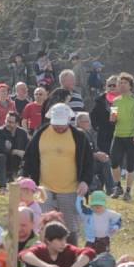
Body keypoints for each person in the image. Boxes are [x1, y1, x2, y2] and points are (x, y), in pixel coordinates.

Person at [22, 102, 93, 244]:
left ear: (68, 120)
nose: (59, 127)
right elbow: (29, 158)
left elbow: (89, 162)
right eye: (56, 124)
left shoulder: (79, 136)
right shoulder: (40, 134)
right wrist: (24, 176)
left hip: (70, 189)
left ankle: (71, 254)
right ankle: (45, 253)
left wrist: (85, 181)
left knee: (70, 227)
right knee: (44, 225)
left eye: (62, 124)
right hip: (44, 188)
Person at [109, 72, 134, 202]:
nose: (122, 85)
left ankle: (128, 191)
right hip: (118, 135)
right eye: (120, 83)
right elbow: (112, 120)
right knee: (114, 162)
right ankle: (118, 187)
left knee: (130, 165)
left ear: (130, 86)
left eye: (124, 83)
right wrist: (112, 119)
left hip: (131, 136)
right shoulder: (115, 101)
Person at [0, 110, 29, 193]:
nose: (7, 124)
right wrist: (15, 151)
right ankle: (2, 187)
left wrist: (25, 154)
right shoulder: (0, 131)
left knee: (30, 158)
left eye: (11, 122)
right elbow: (0, 149)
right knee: (1, 156)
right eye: (7, 120)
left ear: (17, 123)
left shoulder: (23, 133)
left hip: (14, 161)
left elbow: (28, 149)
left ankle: (29, 186)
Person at [75, 111, 113, 195]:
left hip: (92, 161)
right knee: (94, 164)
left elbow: (94, 149)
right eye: (85, 121)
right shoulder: (78, 134)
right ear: (78, 123)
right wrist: (95, 155)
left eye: (89, 121)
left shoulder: (88, 133)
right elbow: (79, 154)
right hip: (82, 165)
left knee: (105, 161)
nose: (88, 123)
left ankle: (110, 189)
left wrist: (100, 154)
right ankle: (93, 188)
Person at [75, 190, 121, 254]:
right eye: (95, 205)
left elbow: (118, 218)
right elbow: (79, 208)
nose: (97, 208)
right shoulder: (88, 213)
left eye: (100, 205)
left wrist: (115, 226)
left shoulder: (108, 213)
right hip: (91, 240)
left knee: (103, 256)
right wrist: (80, 197)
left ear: (104, 205)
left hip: (104, 240)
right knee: (87, 255)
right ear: (91, 205)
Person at [90, 76, 119, 157]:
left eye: (114, 85)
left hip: (120, 133)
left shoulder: (124, 99)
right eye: (109, 85)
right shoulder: (100, 100)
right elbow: (93, 114)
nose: (112, 87)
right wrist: (97, 126)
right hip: (104, 133)